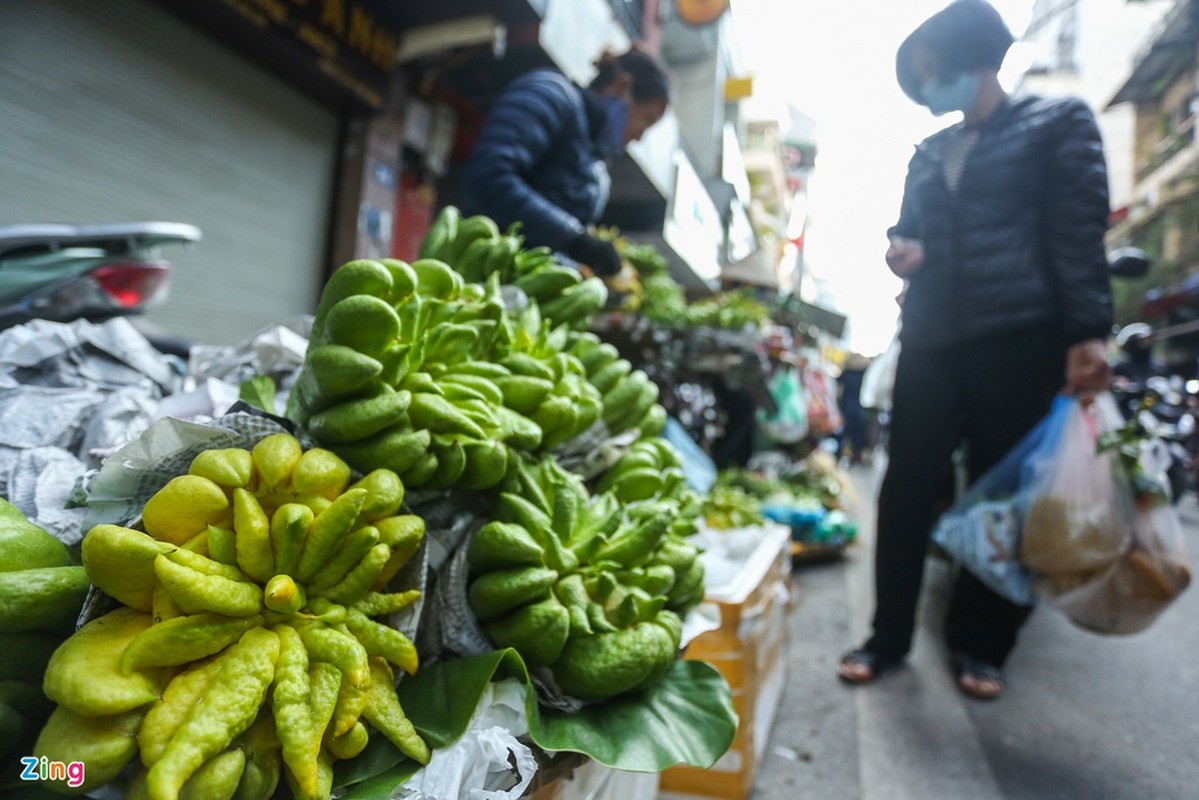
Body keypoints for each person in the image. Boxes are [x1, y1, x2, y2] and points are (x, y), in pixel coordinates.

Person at [837, 0, 1114, 700]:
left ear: (969, 54)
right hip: (931, 337)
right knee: (906, 489)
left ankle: (981, 645)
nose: (927, 90)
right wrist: (900, 253)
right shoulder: (926, 152)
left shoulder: (1057, 123)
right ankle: (886, 637)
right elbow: (905, 231)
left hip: (1019, 338)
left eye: (930, 72)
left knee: (1002, 496)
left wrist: (1086, 333)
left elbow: (1076, 234)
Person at [463, 47, 672, 277]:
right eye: (647, 119)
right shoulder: (551, 96)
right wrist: (574, 239)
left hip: (513, 285)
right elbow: (489, 175)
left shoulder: (596, 167)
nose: (640, 136)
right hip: (472, 271)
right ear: (621, 87)